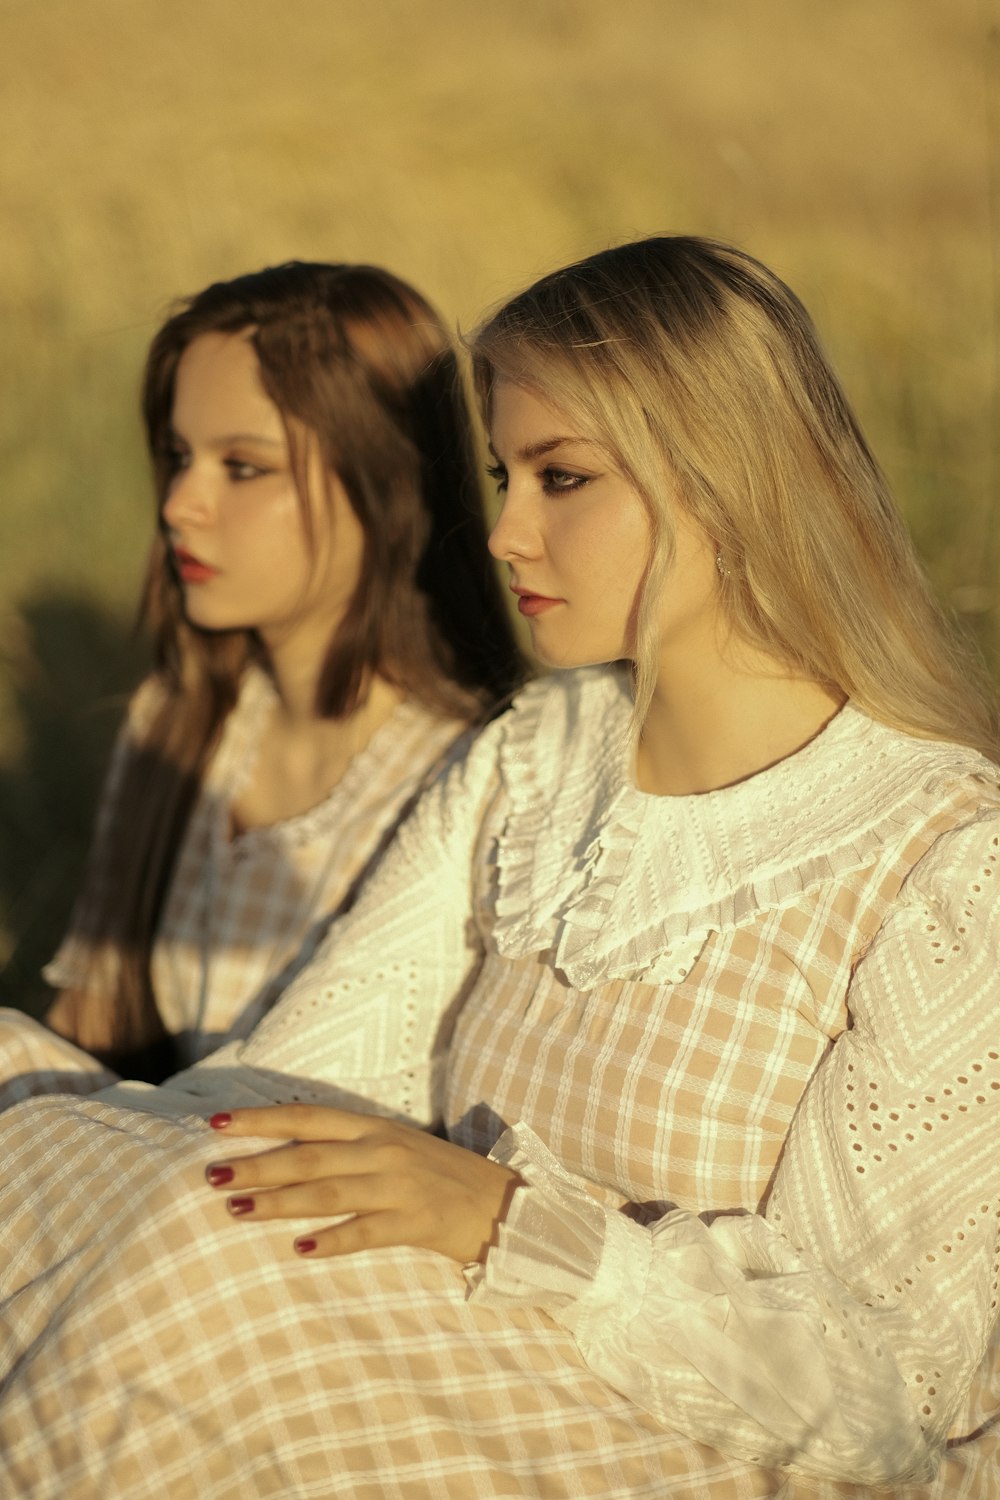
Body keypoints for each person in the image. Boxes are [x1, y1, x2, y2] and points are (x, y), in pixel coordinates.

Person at [0, 235, 998, 1497]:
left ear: (728, 479)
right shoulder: (537, 758)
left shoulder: (948, 865)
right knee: (43, 1112)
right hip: (470, 1359)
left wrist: (507, 1223)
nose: (507, 533)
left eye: (561, 478)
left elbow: (889, 1402)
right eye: (500, 476)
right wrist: (89, 1142)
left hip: (716, 1449)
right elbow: (304, 1079)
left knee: (195, 1264)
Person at [0, 261, 526, 1099]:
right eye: (178, 455)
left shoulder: (484, 779)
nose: (179, 503)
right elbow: (85, 1035)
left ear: (388, 481)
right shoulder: (179, 722)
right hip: (145, 1182)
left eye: (242, 466)